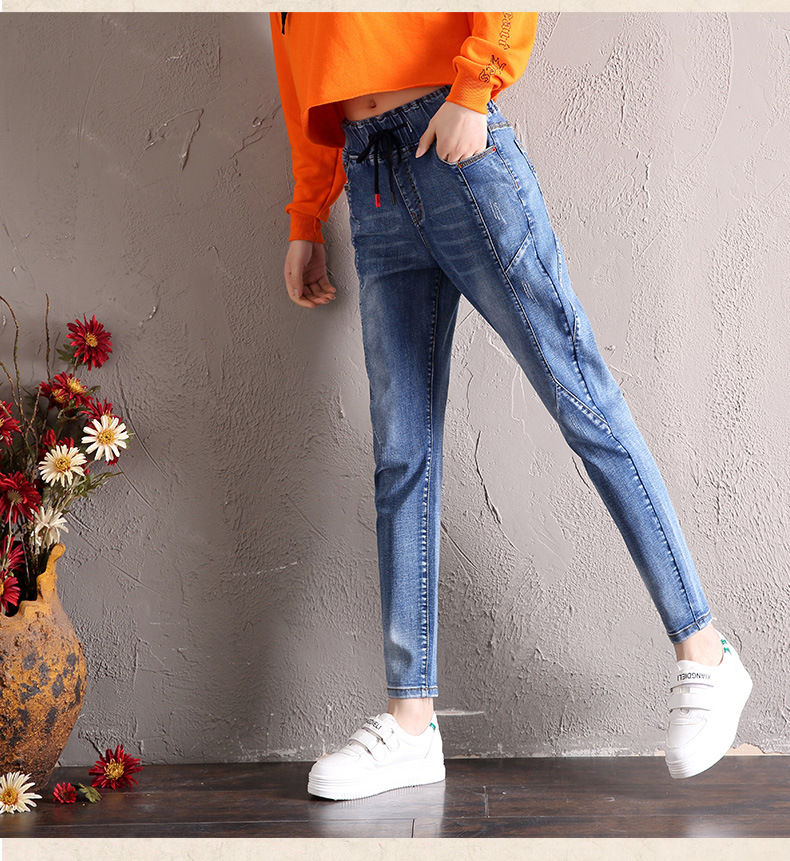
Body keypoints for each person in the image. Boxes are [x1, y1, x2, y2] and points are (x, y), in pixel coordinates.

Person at [268, 12, 753, 801]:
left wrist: (474, 86)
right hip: (371, 175)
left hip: (453, 141)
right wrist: (306, 213)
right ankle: (412, 723)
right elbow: (299, 61)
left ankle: (705, 651)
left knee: (581, 400)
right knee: (401, 454)